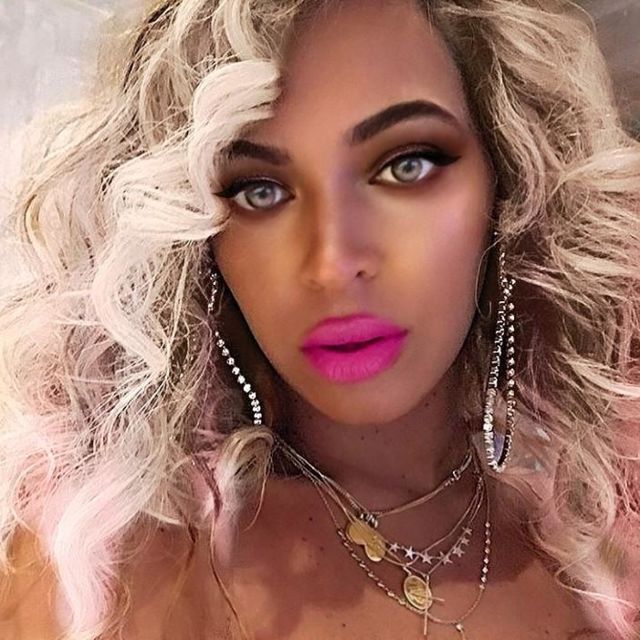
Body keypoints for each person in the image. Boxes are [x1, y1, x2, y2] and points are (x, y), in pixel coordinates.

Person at [1, 0, 639, 638]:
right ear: (197, 241)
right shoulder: (102, 576)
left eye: (406, 165)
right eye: (260, 190)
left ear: (513, 189)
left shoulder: (600, 558)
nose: (333, 263)